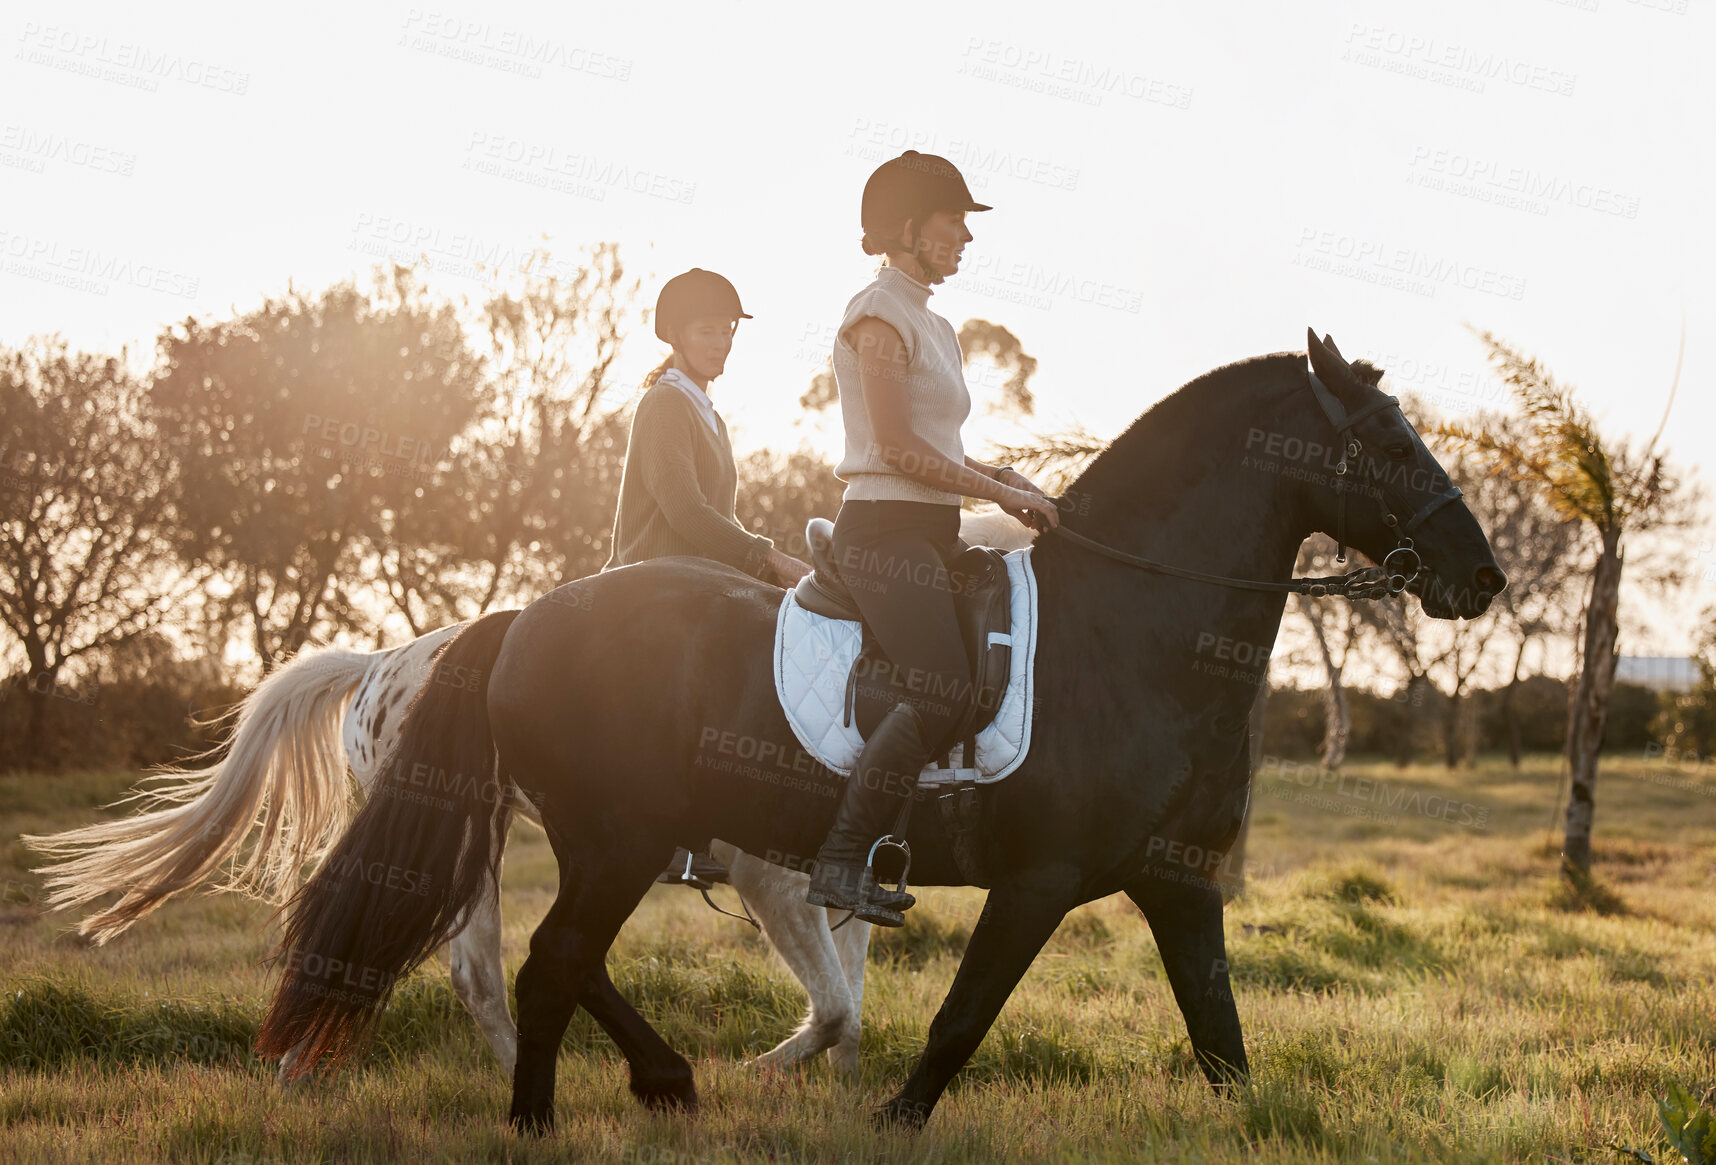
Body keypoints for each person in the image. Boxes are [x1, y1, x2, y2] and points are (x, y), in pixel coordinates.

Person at [804, 151, 1060, 925]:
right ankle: (842, 859)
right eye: (955, 222)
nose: (965, 238)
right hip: (882, 532)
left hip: (932, 530)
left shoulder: (935, 322)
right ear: (909, 227)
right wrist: (996, 491)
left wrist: (1009, 481)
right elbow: (893, 448)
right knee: (942, 685)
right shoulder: (877, 314)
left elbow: (941, 447)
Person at [606, 268, 811, 889]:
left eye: (728, 331)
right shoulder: (666, 403)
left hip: (698, 581)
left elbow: (717, 517)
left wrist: (771, 573)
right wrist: (767, 558)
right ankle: (667, 830)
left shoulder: (706, 411)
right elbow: (683, 510)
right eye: (707, 330)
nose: (721, 341)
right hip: (655, 584)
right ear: (674, 334)